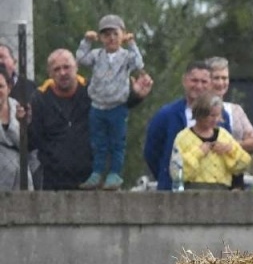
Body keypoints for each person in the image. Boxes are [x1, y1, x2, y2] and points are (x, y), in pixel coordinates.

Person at [75, 15, 145, 190]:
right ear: (101, 38)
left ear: (122, 35)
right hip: (97, 105)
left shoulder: (126, 56)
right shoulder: (97, 55)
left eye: (115, 33)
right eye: (106, 35)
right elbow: (81, 59)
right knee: (98, 142)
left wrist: (132, 44)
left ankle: (115, 173)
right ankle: (97, 173)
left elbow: (138, 63)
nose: (111, 38)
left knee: (117, 142)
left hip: (117, 106)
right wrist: (86, 41)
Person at [145, 61, 230, 191]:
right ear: (184, 81)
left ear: (210, 84)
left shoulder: (221, 115)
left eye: (204, 82)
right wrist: (167, 175)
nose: (199, 86)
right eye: (194, 81)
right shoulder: (166, 115)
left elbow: (229, 149)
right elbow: (151, 151)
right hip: (173, 191)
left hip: (213, 190)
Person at [30, 50, 94, 190]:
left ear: (76, 67)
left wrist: (137, 95)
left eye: (67, 67)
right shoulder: (40, 99)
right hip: (54, 180)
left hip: (92, 176)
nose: (63, 73)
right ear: (50, 73)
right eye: (57, 69)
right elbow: (32, 139)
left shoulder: (91, 90)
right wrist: (23, 122)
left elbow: (116, 104)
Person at [170, 95, 250, 191]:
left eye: (218, 115)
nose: (216, 119)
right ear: (200, 114)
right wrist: (198, 152)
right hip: (192, 191)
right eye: (212, 115)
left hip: (222, 191)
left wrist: (231, 150)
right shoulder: (183, 137)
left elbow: (243, 164)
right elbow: (177, 172)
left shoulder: (224, 135)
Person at [205, 57, 253, 156]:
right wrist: (244, 144)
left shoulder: (235, 110)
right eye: (216, 78)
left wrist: (230, 146)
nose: (221, 83)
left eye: (224, 78)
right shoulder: (197, 109)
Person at [0, 67, 22, 191]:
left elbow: (24, 142)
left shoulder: (17, 107)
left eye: (0, 86)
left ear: (9, 88)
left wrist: (22, 122)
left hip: (19, 172)